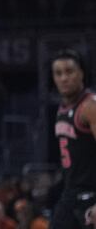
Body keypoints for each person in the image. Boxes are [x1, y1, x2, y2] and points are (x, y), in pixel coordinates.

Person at [51, 49, 96, 229]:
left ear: (81, 73)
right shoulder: (62, 108)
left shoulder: (89, 107)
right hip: (70, 195)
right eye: (58, 73)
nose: (63, 78)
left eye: (69, 72)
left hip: (91, 196)